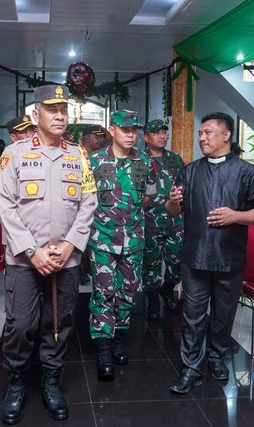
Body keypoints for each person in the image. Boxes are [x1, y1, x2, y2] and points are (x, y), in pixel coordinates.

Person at [0, 85, 97, 424]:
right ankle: (18, 380)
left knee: (58, 322)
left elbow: (88, 203)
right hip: (25, 260)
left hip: (64, 259)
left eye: (63, 110)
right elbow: (5, 205)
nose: (59, 116)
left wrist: (70, 245)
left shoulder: (78, 155)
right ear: (35, 114)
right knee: (21, 325)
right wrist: (30, 250)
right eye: (52, 109)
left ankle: (52, 380)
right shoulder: (14, 154)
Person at [165, 112, 254, 394]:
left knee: (224, 314)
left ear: (226, 135)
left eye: (208, 132)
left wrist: (235, 215)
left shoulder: (248, 172)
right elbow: (173, 211)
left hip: (229, 257)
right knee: (193, 315)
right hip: (195, 256)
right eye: (200, 133)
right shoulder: (190, 171)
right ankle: (191, 368)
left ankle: (217, 357)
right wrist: (173, 202)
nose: (202, 138)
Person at [88, 110, 155, 381]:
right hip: (103, 240)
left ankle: (118, 337)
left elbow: (147, 197)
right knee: (103, 293)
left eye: (134, 130)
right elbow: (84, 200)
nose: (130, 134)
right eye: (125, 129)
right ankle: (103, 346)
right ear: (112, 130)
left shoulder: (144, 162)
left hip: (134, 241)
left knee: (128, 293)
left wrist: (131, 214)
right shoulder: (94, 161)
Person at [142, 119, 184, 319]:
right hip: (149, 221)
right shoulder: (139, 159)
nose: (162, 136)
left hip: (174, 220)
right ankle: (152, 302)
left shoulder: (175, 159)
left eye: (164, 132)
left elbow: (185, 185)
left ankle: (167, 289)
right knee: (151, 265)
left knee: (177, 263)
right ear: (146, 137)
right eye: (157, 132)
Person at [0, 115, 35, 222]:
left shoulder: (42, 159)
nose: (30, 136)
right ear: (13, 137)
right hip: (16, 226)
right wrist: (8, 218)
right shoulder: (4, 162)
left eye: (32, 131)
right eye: (24, 132)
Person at [78, 124, 109, 285]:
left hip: (101, 209)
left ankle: (89, 266)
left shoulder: (105, 157)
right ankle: (80, 269)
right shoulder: (77, 156)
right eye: (97, 136)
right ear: (86, 138)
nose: (101, 140)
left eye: (103, 136)